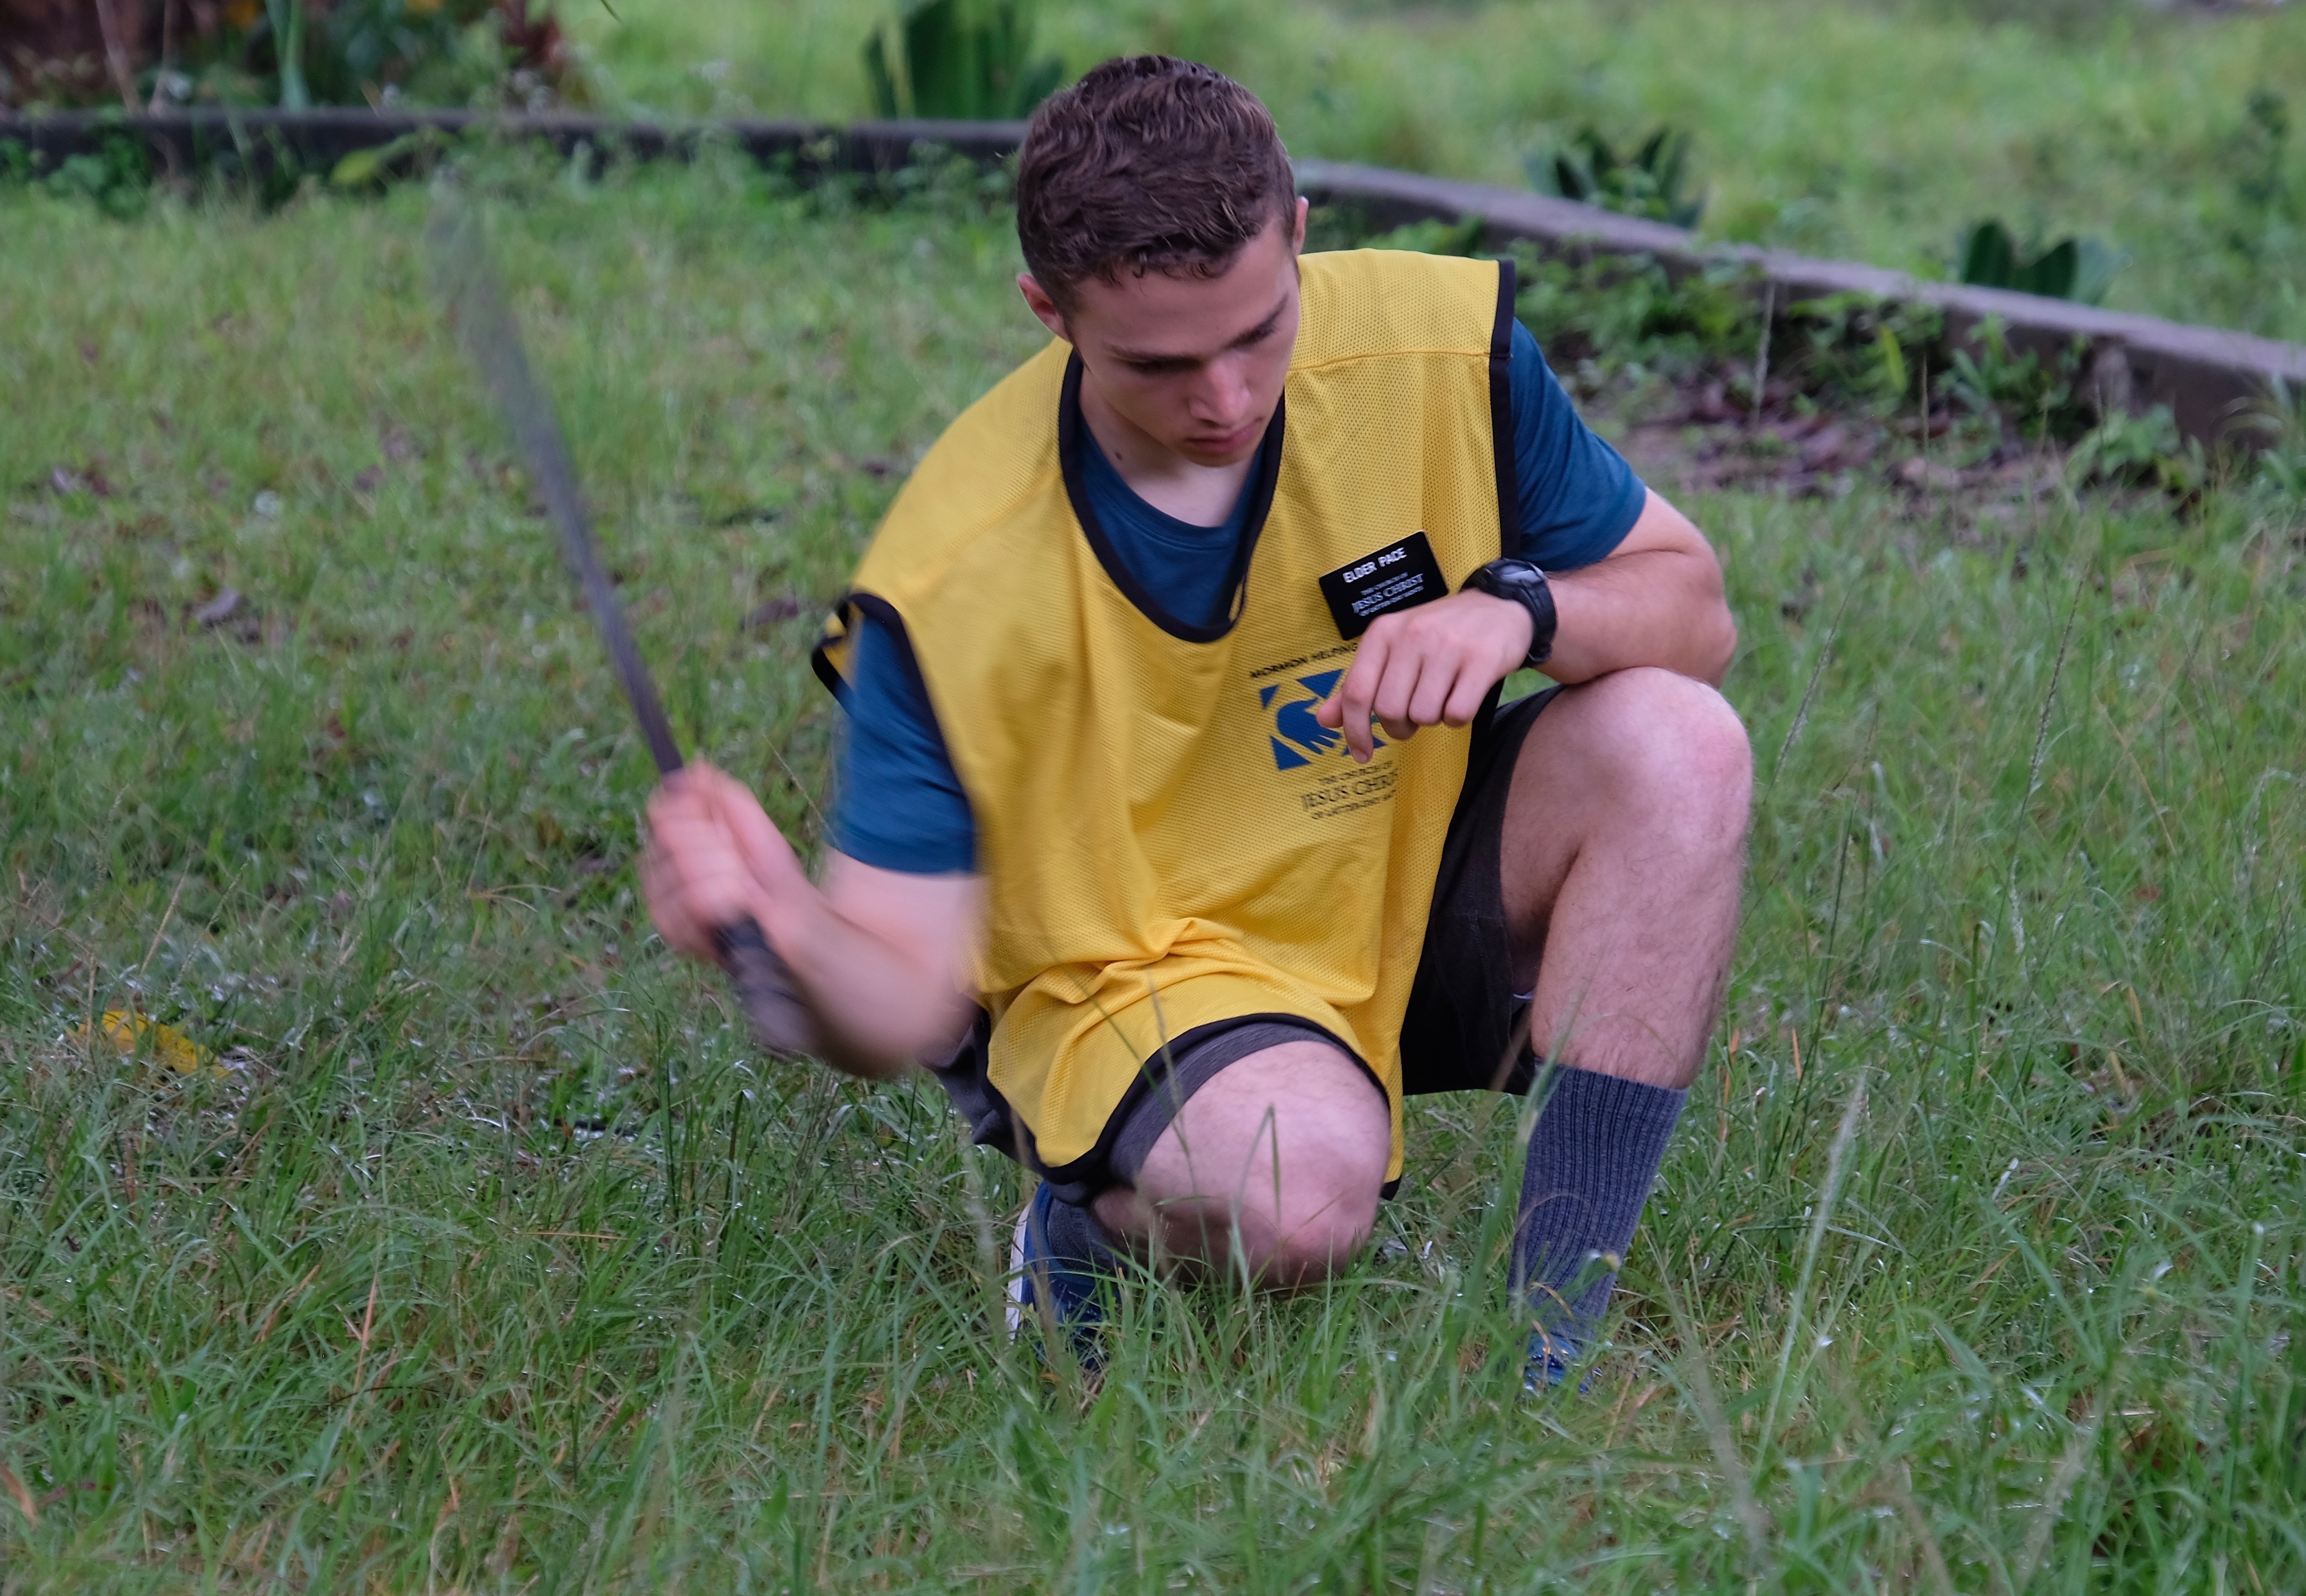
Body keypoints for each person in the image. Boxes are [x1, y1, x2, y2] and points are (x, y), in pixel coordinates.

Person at [643, 56, 1750, 1383]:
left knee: (1680, 744)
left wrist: (1517, 609)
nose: (1225, 399)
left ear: (1295, 232)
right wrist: (782, 940)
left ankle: (1545, 1354)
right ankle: (1088, 1210)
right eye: (1158, 364)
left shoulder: (1435, 348)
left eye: (1257, 332)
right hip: (1141, 981)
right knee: (1297, 1195)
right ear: (1047, 311)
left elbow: (1693, 614)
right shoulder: (951, 579)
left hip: (1385, 881)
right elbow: (899, 994)